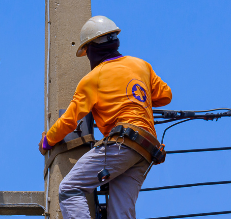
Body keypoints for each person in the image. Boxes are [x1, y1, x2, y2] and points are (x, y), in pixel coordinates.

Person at [39, 16, 172, 219]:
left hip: (122, 144)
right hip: (146, 149)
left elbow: (69, 120)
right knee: (120, 213)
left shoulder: (93, 79)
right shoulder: (141, 65)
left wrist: (47, 141)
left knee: (70, 189)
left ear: (91, 49)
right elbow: (165, 96)